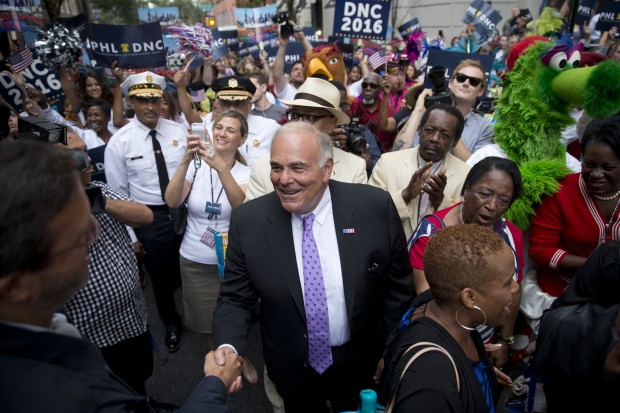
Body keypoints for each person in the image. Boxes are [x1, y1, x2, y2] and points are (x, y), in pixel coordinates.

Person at [0, 140, 243, 413]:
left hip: (128, 323)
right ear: (16, 286)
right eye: (76, 235)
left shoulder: (51, 334)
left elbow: (144, 215)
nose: (93, 234)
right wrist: (215, 384)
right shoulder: (52, 393)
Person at [212, 122, 413, 413]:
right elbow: (234, 298)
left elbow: (398, 288)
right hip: (291, 369)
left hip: (363, 365)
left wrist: (392, 350)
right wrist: (228, 349)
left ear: (327, 169)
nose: (284, 179)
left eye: (297, 167)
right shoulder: (249, 222)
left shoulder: (374, 208)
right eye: (276, 167)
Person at [382, 224, 517, 412]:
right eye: (507, 282)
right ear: (470, 298)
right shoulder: (430, 379)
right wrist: (448, 380)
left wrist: (475, 375)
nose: (515, 287)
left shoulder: (448, 312)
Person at [408, 156, 525, 366]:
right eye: (485, 194)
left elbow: (514, 292)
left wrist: (503, 341)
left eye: (503, 201)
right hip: (442, 344)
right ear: (467, 188)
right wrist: (470, 348)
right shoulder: (431, 234)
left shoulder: (510, 236)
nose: (491, 205)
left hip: (487, 346)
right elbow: (427, 298)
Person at [105, 71, 187, 353]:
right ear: (131, 102)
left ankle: (200, 311)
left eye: (154, 99)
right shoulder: (120, 141)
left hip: (184, 210)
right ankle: (171, 322)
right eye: (142, 100)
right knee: (161, 276)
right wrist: (131, 237)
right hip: (148, 217)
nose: (150, 107)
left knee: (190, 266)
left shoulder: (178, 132)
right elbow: (117, 194)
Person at [165, 110, 250, 351]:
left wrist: (222, 168)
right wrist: (185, 161)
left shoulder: (247, 172)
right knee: (205, 320)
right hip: (194, 260)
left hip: (232, 262)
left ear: (242, 139)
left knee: (233, 314)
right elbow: (172, 201)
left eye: (230, 130)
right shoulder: (196, 166)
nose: (222, 133)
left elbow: (241, 207)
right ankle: (219, 358)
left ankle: (236, 356)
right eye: (219, 127)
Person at [529, 115, 620, 300]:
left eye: (608, 167)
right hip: (560, 294)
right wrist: (594, 265)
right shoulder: (559, 191)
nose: (596, 174)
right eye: (589, 164)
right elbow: (541, 249)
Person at [244, 77, 367, 201]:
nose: (299, 123)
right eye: (296, 115)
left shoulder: (354, 168)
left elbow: (356, 217)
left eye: (310, 117)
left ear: (331, 124)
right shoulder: (263, 167)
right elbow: (255, 218)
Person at [368, 103, 471, 240]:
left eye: (444, 134)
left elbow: (465, 228)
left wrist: (440, 202)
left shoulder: (466, 174)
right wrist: (406, 195)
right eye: (429, 130)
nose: (434, 138)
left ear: (455, 141)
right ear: (419, 130)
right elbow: (370, 210)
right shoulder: (388, 162)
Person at [393, 59, 494, 161]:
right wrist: (418, 110)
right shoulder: (426, 115)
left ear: (481, 91)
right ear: (450, 83)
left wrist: (450, 121)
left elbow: (474, 167)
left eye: (474, 81)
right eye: (461, 78)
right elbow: (398, 152)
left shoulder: (484, 128)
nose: (466, 83)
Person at [175, 72, 279, 166]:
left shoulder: (269, 129)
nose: (232, 109)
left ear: (249, 105)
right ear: (218, 105)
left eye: (238, 104)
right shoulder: (207, 133)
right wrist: (180, 87)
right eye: (226, 103)